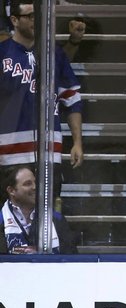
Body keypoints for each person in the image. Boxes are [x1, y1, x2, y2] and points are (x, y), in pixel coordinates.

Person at [0, 0, 84, 198]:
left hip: (48, 153)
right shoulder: (2, 54)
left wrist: (77, 142)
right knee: (9, 219)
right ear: (14, 20)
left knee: (47, 217)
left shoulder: (54, 53)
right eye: (30, 16)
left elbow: (72, 98)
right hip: (8, 153)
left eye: (38, 16)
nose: (35, 21)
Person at [0, 165, 77, 254]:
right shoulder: (2, 219)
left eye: (35, 182)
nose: (35, 187)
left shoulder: (57, 219)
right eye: (28, 184)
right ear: (11, 190)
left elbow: (71, 258)